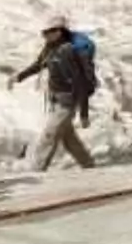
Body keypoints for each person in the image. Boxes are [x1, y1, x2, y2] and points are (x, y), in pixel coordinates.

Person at [11, 20, 98, 171]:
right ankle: (90, 167)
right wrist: (19, 76)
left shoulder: (68, 51)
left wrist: (84, 113)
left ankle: (36, 172)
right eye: (43, 32)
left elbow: (81, 82)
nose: (44, 35)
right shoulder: (50, 48)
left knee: (49, 135)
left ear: (58, 31)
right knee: (69, 139)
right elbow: (38, 65)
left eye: (47, 32)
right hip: (55, 100)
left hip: (68, 102)